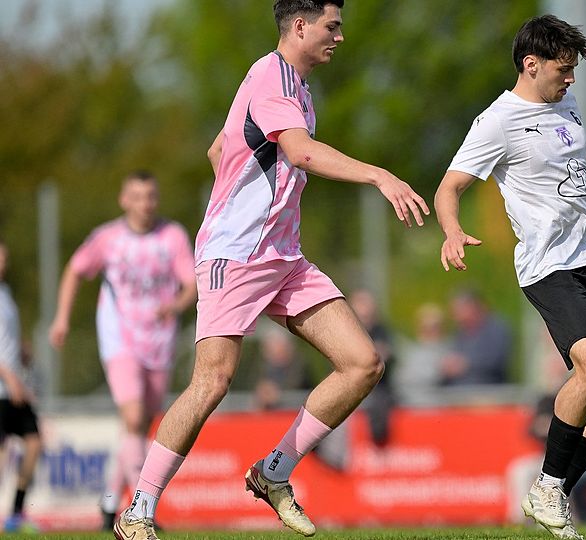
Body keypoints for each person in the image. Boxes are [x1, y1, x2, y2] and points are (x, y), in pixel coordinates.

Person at [112, 1, 429, 538]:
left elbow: (220, 148)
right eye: (332, 26)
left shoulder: (297, 86)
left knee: (362, 363)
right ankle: (138, 510)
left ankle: (273, 472)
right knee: (212, 382)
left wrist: (245, 195)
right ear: (300, 27)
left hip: (283, 257)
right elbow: (300, 153)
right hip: (235, 256)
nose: (340, 37)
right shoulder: (272, 76)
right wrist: (380, 175)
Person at [434, 14, 586, 539]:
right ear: (531, 64)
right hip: (549, 267)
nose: (570, 79)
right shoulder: (497, 122)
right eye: (563, 69)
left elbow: (582, 165)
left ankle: (552, 492)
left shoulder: (564, 106)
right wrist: (452, 231)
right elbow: (449, 187)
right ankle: (548, 486)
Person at [46, 171, 197, 530]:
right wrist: (62, 318)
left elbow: (191, 283)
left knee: (139, 428)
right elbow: (75, 270)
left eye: (150, 196)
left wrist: (175, 305)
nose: (145, 204)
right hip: (120, 340)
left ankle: (110, 501)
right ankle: (141, 511)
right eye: (137, 197)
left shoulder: (172, 236)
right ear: (124, 200)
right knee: (133, 419)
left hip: (159, 342)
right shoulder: (108, 238)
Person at [0, 242, 41, 533]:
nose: (4, 260)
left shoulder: (6, 293)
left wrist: (21, 350)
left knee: (33, 442)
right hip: (4, 386)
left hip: (13, 383)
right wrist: (11, 379)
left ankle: (16, 512)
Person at [347, 289, 395, 446]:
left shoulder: (381, 330)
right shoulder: (347, 332)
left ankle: (377, 441)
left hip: (378, 387)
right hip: (352, 387)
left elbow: (387, 354)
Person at [440, 289, 512, 386]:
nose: (455, 316)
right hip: (458, 390)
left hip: (489, 389)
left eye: (458, 310)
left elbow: (495, 359)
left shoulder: (496, 328)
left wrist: (465, 364)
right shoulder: (460, 332)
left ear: (472, 307)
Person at [252, 323, 310, 412]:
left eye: (276, 346)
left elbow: (297, 387)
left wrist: (277, 394)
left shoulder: (298, 366)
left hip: (294, 412)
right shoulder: (264, 368)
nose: (274, 352)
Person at [394, 302, 450, 394]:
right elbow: (401, 378)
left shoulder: (451, 348)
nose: (431, 331)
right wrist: (438, 371)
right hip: (416, 399)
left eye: (435, 326)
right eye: (426, 327)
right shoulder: (411, 353)